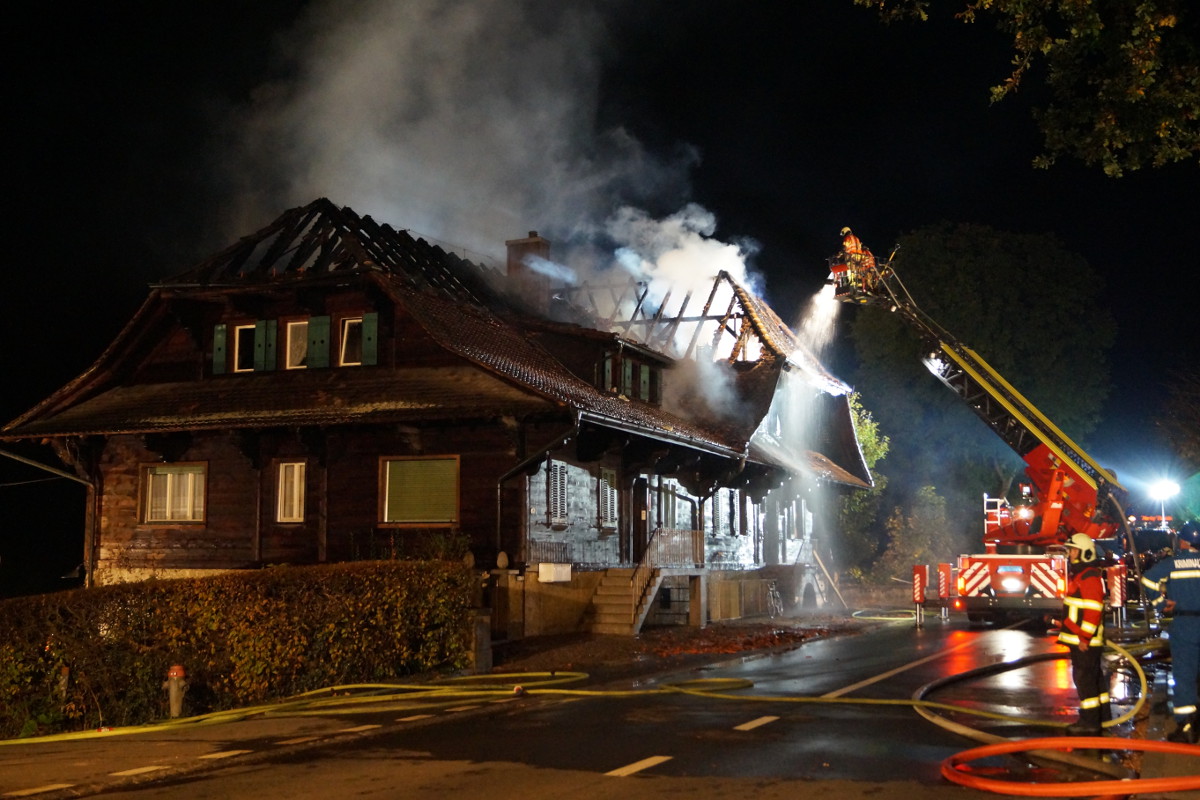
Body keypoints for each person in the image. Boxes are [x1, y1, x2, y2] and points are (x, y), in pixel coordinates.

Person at [1141, 527, 1200, 743]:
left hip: (1184, 624)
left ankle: (1186, 727)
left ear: (1183, 542)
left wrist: (1160, 603)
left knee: (1184, 676)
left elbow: (1147, 580)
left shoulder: (1174, 563)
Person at [1057, 532, 1112, 735]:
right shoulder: (1083, 574)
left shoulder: (1088, 577)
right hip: (1081, 637)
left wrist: (1084, 638)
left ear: (1085, 553)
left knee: (1085, 679)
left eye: (1073, 550)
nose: (1070, 554)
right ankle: (1101, 717)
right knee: (1094, 678)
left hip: (1084, 641)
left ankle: (1089, 722)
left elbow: (1093, 609)